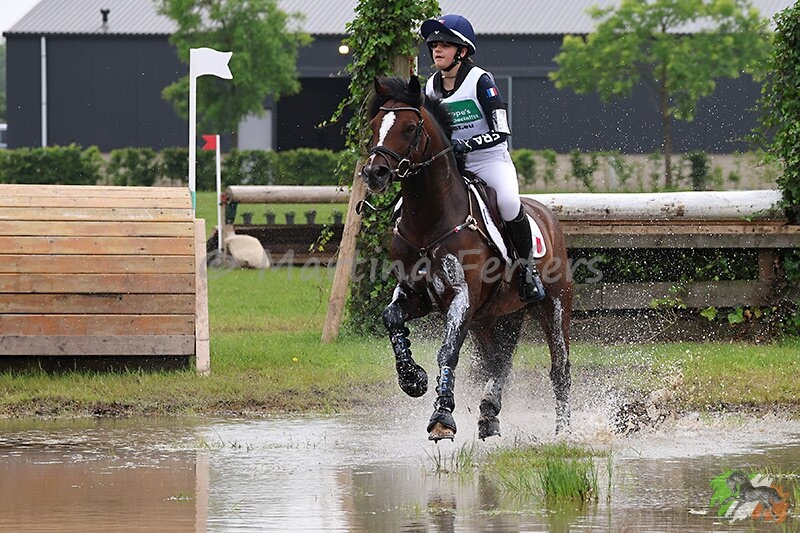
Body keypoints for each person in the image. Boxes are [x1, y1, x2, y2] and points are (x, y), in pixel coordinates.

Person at [420, 14, 544, 302]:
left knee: (509, 203)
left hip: (489, 160)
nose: (437, 50)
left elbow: (502, 130)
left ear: (462, 51)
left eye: (444, 45)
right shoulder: (430, 87)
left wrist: (467, 144)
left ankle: (528, 271)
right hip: (453, 166)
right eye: (434, 45)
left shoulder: (481, 81)